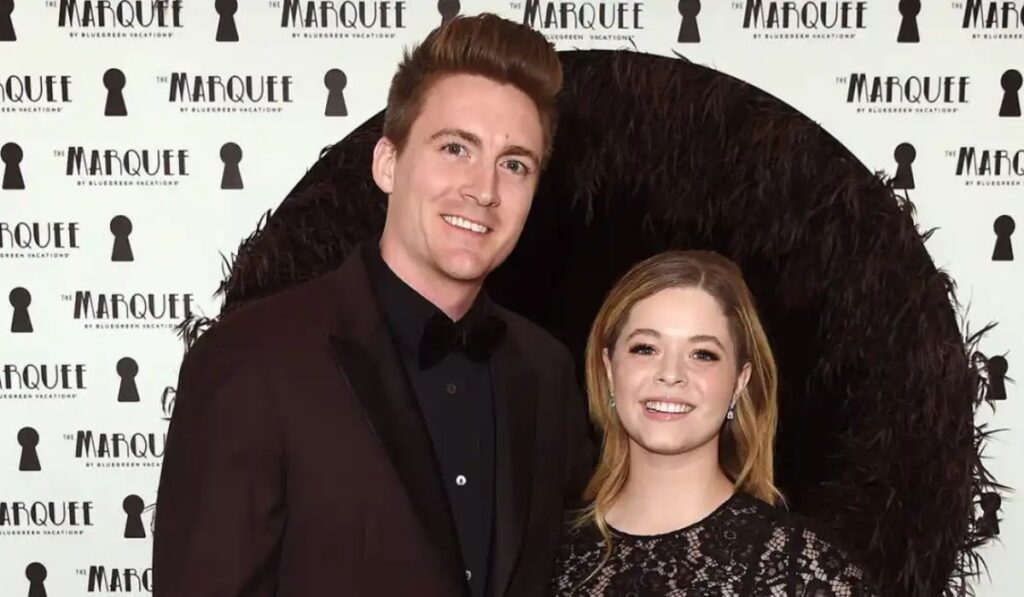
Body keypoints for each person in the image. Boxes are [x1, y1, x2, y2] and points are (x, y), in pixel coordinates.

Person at [153, 14, 593, 597]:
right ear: (388, 163)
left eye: (514, 164)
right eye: (455, 148)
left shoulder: (547, 372)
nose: (484, 190)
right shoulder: (251, 360)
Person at [548, 251, 878, 596]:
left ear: (739, 382)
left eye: (702, 354)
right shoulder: (547, 554)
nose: (670, 374)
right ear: (609, 369)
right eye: (645, 349)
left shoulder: (805, 569)